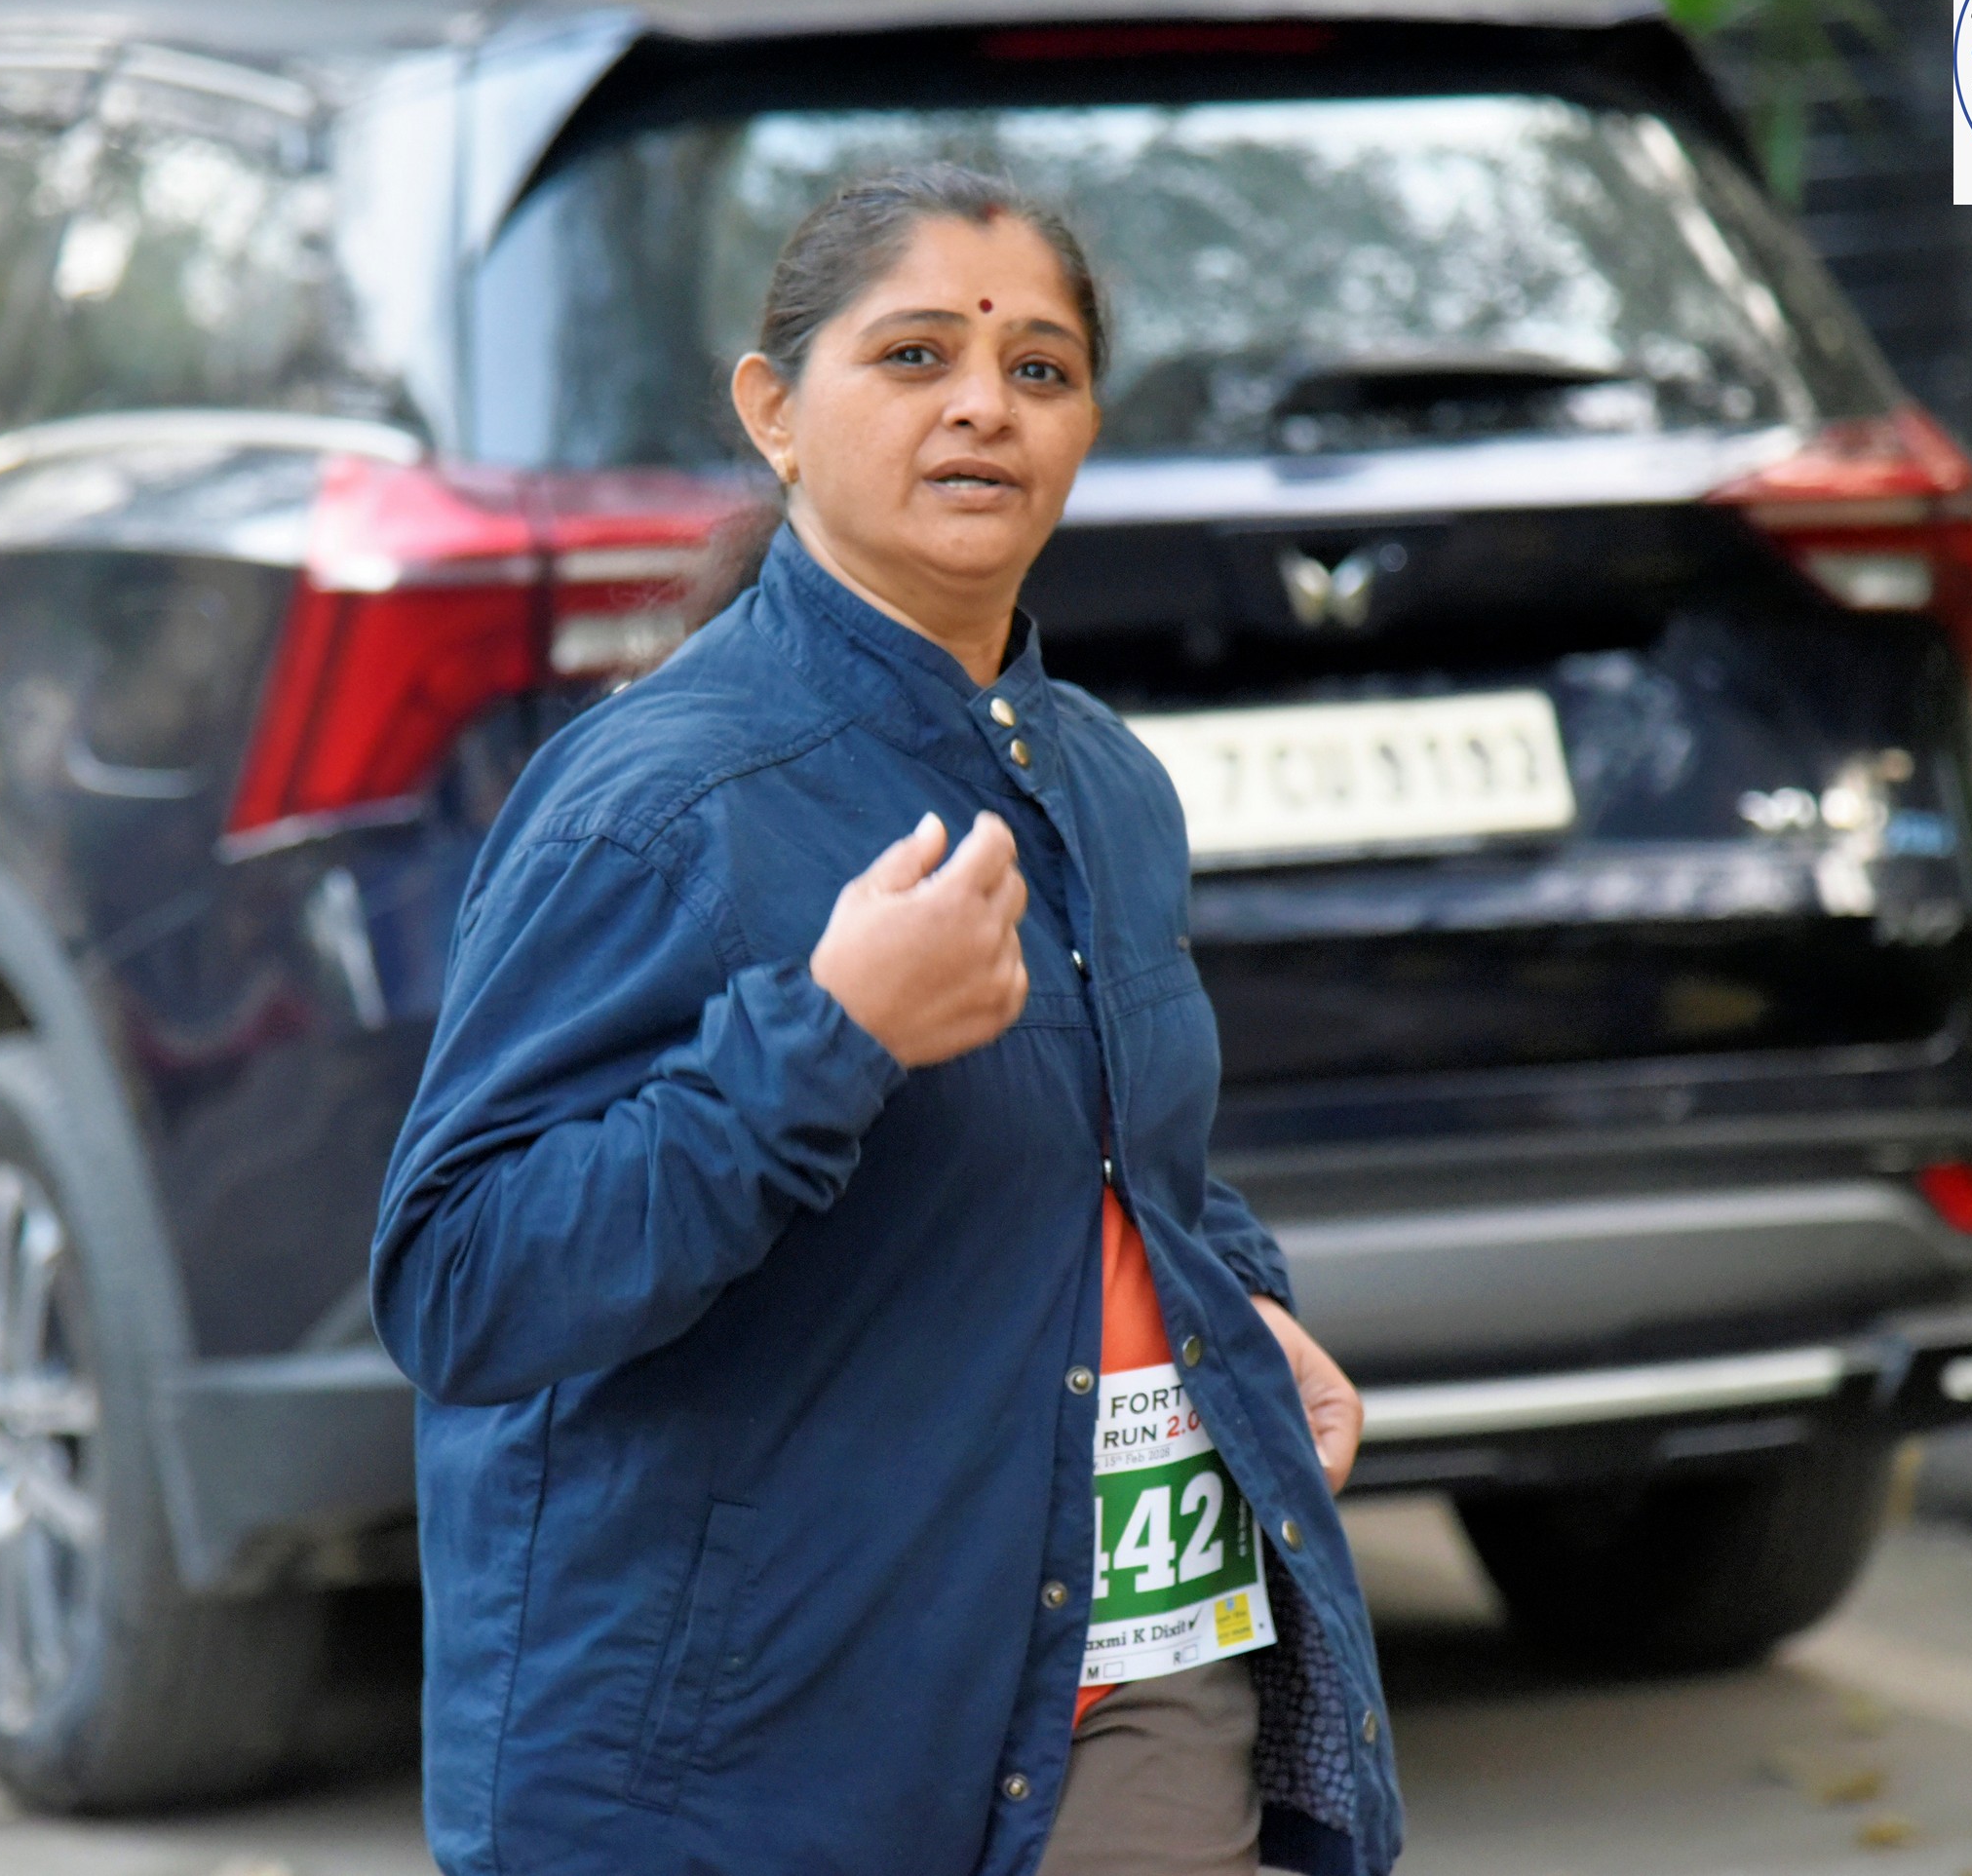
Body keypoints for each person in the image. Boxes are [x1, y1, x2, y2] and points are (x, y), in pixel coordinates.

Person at [373, 164, 1402, 1876]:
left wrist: (1233, 1302)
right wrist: (827, 1038)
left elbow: (1112, 1151)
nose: (983, 405)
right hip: (765, 1757)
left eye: (1038, 369)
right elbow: (458, 1284)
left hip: (1131, 1668)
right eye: (914, 355)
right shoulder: (656, 806)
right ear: (774, 412)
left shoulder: (1105, 782)